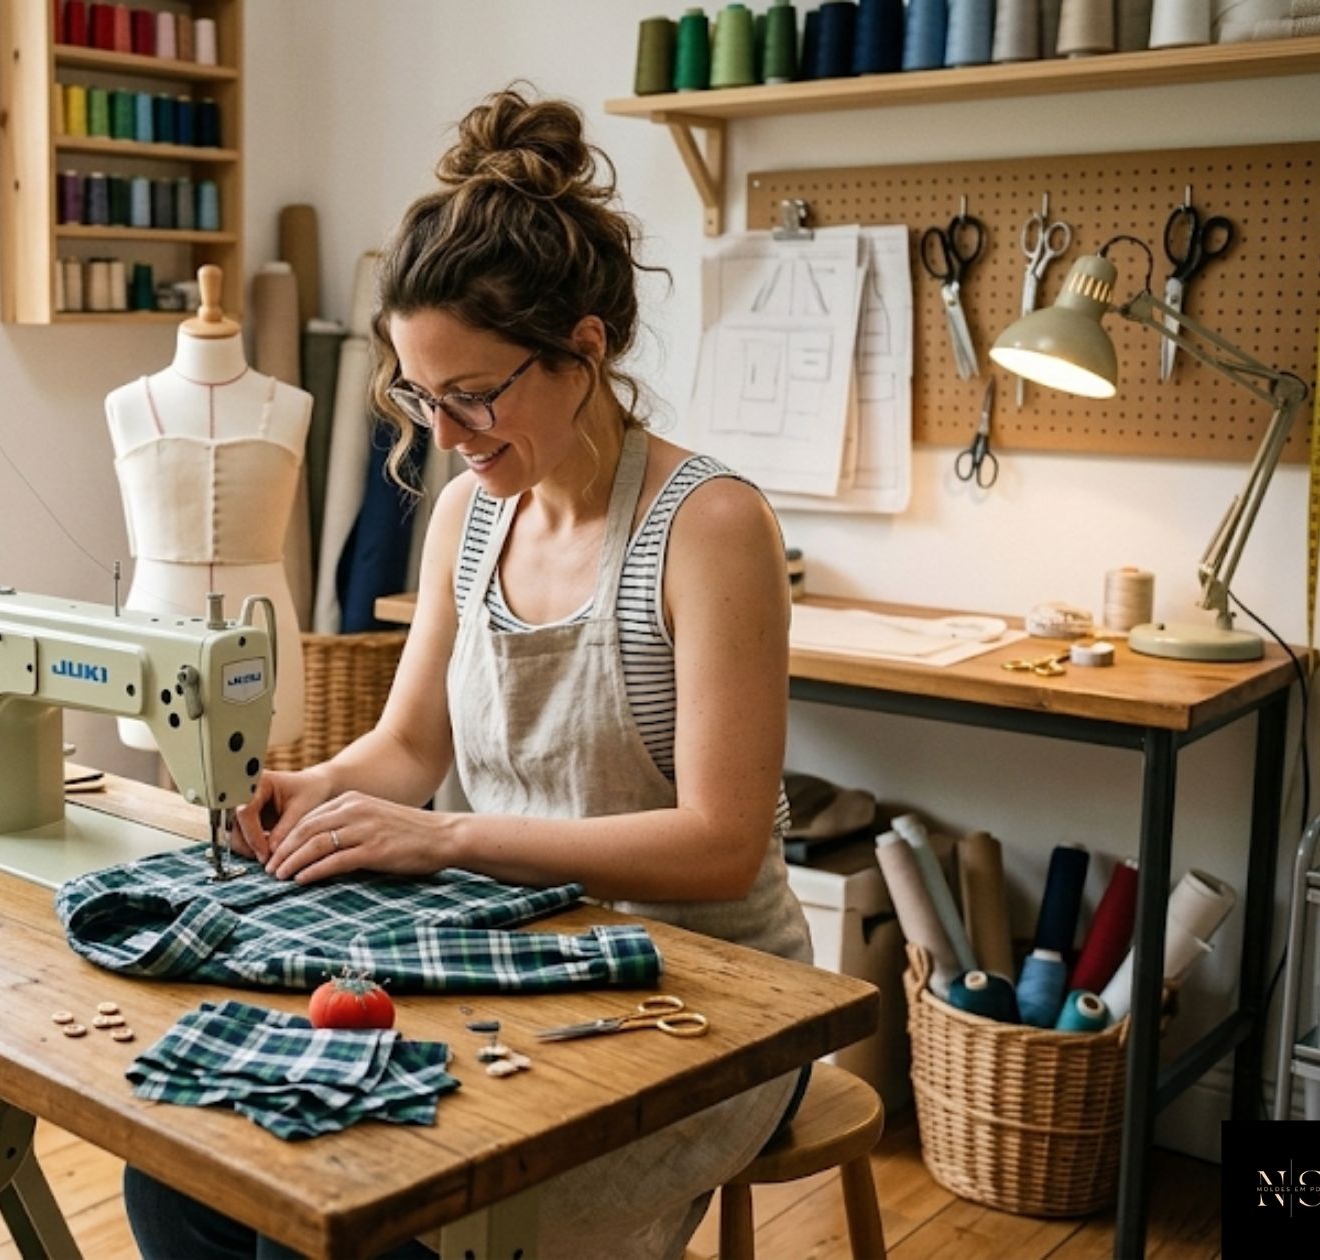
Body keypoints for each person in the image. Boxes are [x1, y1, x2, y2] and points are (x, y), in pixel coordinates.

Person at [122, 87, 813, 1260]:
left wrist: (441, 841)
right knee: (185, 1174)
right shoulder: (466, 520)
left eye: (471, 393)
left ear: (582, 349)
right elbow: (409, 750)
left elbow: (717, 843)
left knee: (388, 1214)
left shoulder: (707, 529)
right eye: (417, 395)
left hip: (706, 1001)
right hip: (513, 951)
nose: (441, 430)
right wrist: (317, 787)